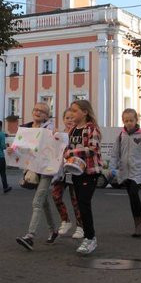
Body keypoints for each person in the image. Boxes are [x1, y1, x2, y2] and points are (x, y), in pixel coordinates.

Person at [16, 103, 57, 250]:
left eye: (42, 111)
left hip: (46, 169)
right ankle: (53, 230)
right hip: (32, 167)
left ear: (47, 116)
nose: (38, 112)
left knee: (37, 202)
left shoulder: (50, 130)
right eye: (36, 110)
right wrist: (12, 150)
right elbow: (19, 148)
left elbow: (52, 147)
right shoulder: (26, 128)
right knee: (44, 202)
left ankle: (30, 236)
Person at [64, 100, 102, 254]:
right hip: (76, 170)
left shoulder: (92, 129)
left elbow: (93, 149)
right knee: (79, 204)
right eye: (71, 111)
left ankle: (90, 238)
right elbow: (66, 147)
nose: (72, 114)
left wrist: (72, 153)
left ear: (85, 112)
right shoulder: (73, 130)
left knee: (84, 203)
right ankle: (87, 236)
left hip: (90, 171)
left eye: (75, 111)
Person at [108, 108, 141, 237]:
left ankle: (140, 224)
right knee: (132, 198)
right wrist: (112, 168)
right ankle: (138, 225)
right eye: (126, 120)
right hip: (124, 172)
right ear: (123, 121)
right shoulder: (120, 136)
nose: (129, 123)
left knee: (134, 193)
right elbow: (115, 154)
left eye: (131, 120)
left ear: (136, 120)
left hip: (137, 171)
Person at [51, 108, 83, 238]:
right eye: (67, 118)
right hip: (61, 171)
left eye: (72, 117)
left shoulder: (78, 133)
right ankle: (65, 220)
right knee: (55, 195)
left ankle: (81, 227)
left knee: (76, 200)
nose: (70, 120)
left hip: (74, 170)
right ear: (63, 120)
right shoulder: (60, 134)